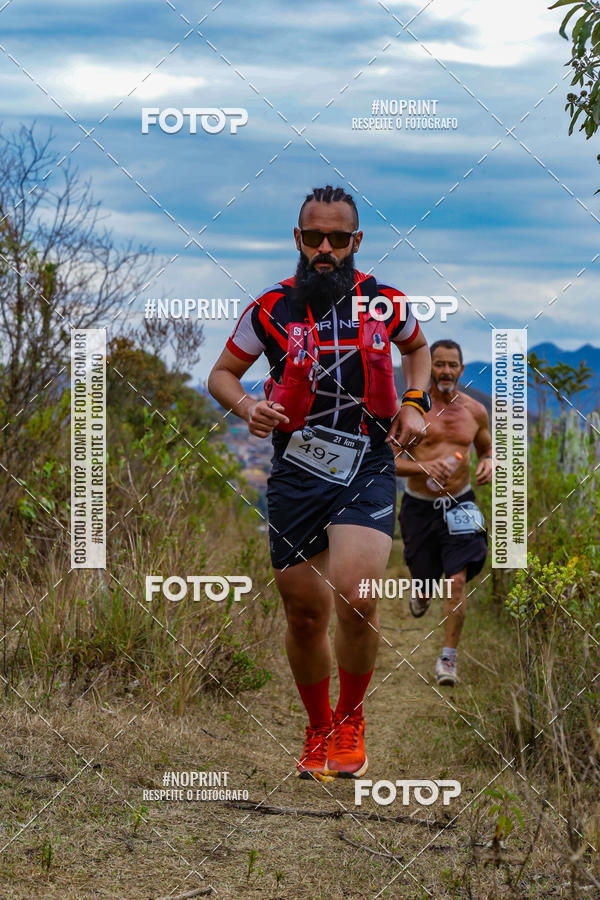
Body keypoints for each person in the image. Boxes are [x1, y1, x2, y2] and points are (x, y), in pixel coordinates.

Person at [208, 185, 431, 780]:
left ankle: (352, 720)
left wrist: (415, 402)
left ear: (357, 242)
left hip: (367, 461)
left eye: (338, 238)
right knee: (305, 614)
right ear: (298, 240)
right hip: (295, 472)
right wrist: (247, 407)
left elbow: (418, 349)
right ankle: (318, 726)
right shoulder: (270, 309)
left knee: (358, 596)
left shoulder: (384, 302)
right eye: (314, 238)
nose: (325, 248)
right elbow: (223, 374)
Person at [395, 339, 493, 686]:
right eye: (439, 364)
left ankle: (448, 660)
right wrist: (425, 468)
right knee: (424, 578)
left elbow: (485, 447)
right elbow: (387, 461)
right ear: (429, 367)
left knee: (456, 580)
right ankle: (421, 590)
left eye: (453, 365)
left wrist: (489, 462)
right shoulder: (412, 412)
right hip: (419, 508)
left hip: (461, 503)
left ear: (462, 370)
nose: (446, 371)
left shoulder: (475, 411)